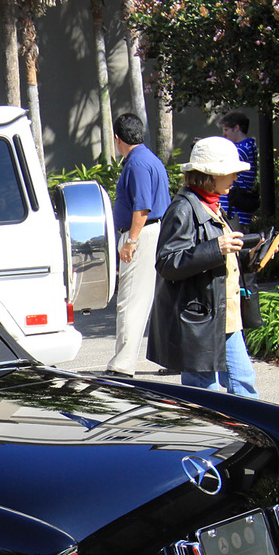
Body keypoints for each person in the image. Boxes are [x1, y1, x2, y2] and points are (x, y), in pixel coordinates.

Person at [146, 137, 260, 397]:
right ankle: (213, 438)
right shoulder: (183, 208)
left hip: (221, 315)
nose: (235, 178)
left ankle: (248, 437)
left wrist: (250, 257)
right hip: (200, 319)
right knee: (205, 394)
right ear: (211, 175)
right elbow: (167, 262)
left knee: (243, 384)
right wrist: (217, 248)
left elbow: (218, 257)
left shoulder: (210, 204)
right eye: (230, 172)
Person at [105, 113, 172, 377]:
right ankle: (127, 360)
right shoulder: (149, 159)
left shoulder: (136, 164)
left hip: (141, 234)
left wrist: (130, 240)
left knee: (130, 300)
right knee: (143, 299)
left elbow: (142, 207)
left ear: (118, 139)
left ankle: (123, 364)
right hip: (151, 232)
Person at [220, 112, 258, 226]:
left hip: (235, 214)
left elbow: (222, 162)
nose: (224, 134)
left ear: (237, 128)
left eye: (226, 130)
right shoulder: (246, 146)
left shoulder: (243, 148)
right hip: (234, 211)